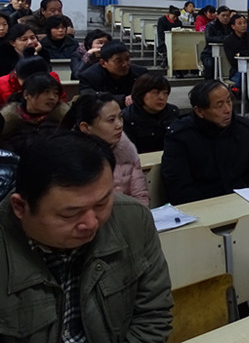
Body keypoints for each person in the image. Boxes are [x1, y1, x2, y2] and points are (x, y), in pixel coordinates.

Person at [1, 131, 172, 340]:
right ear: (20, 207)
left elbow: (152, 316)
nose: (91, 223)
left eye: (102, 203)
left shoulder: (132, 219)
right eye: (70, 213)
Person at [162, 80, 249, 205]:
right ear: (200, 111)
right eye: (219, 106)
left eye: (229, 101)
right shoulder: (180, 136)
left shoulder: (245, 130)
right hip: (203, 204)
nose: (228, 110)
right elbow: (178, 187)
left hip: (243, 201)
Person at [61, 93, 149, 205]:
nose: (119, 125)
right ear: (86, 127)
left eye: (120, 117)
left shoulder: (127, 151)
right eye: (111, 120)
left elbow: (141, 196)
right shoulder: (70, 160)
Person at [0, 73, 68, 154]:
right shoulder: (7, 123)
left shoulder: (63, 122)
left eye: (56, 93)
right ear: (26, 95)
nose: (52, 97)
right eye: (46, 92)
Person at [122, 73, 180, 154]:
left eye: (165, 93)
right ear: (141, 94)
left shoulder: (172, 111)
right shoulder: (127, 117)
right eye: (155, 93)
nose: (162, 97)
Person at [79, 41, 148, 106]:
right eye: (118, 61)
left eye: (127, 59)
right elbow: (88, 98)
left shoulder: (140, 74)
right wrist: (123, 99)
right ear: (103, 63)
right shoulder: (89, 76)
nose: (125, 64)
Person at [222, 13, 249, 86]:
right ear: (233, 26)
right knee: (242, 79)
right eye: (239, 23)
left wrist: (241, 53)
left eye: (244, 23)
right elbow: (233, 61)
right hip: (238, 70)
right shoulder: (228, 41)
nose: (243, 25)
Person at [201, 5, 232, 79]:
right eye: (223, 15)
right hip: (209, 53)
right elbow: (209, 38)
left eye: (227, 15)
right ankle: (208, 83)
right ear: (217, 15)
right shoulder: (210, 26)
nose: (225, 18)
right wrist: (226, 38)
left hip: (227, 53)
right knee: (210, 65)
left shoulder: (232, 26)